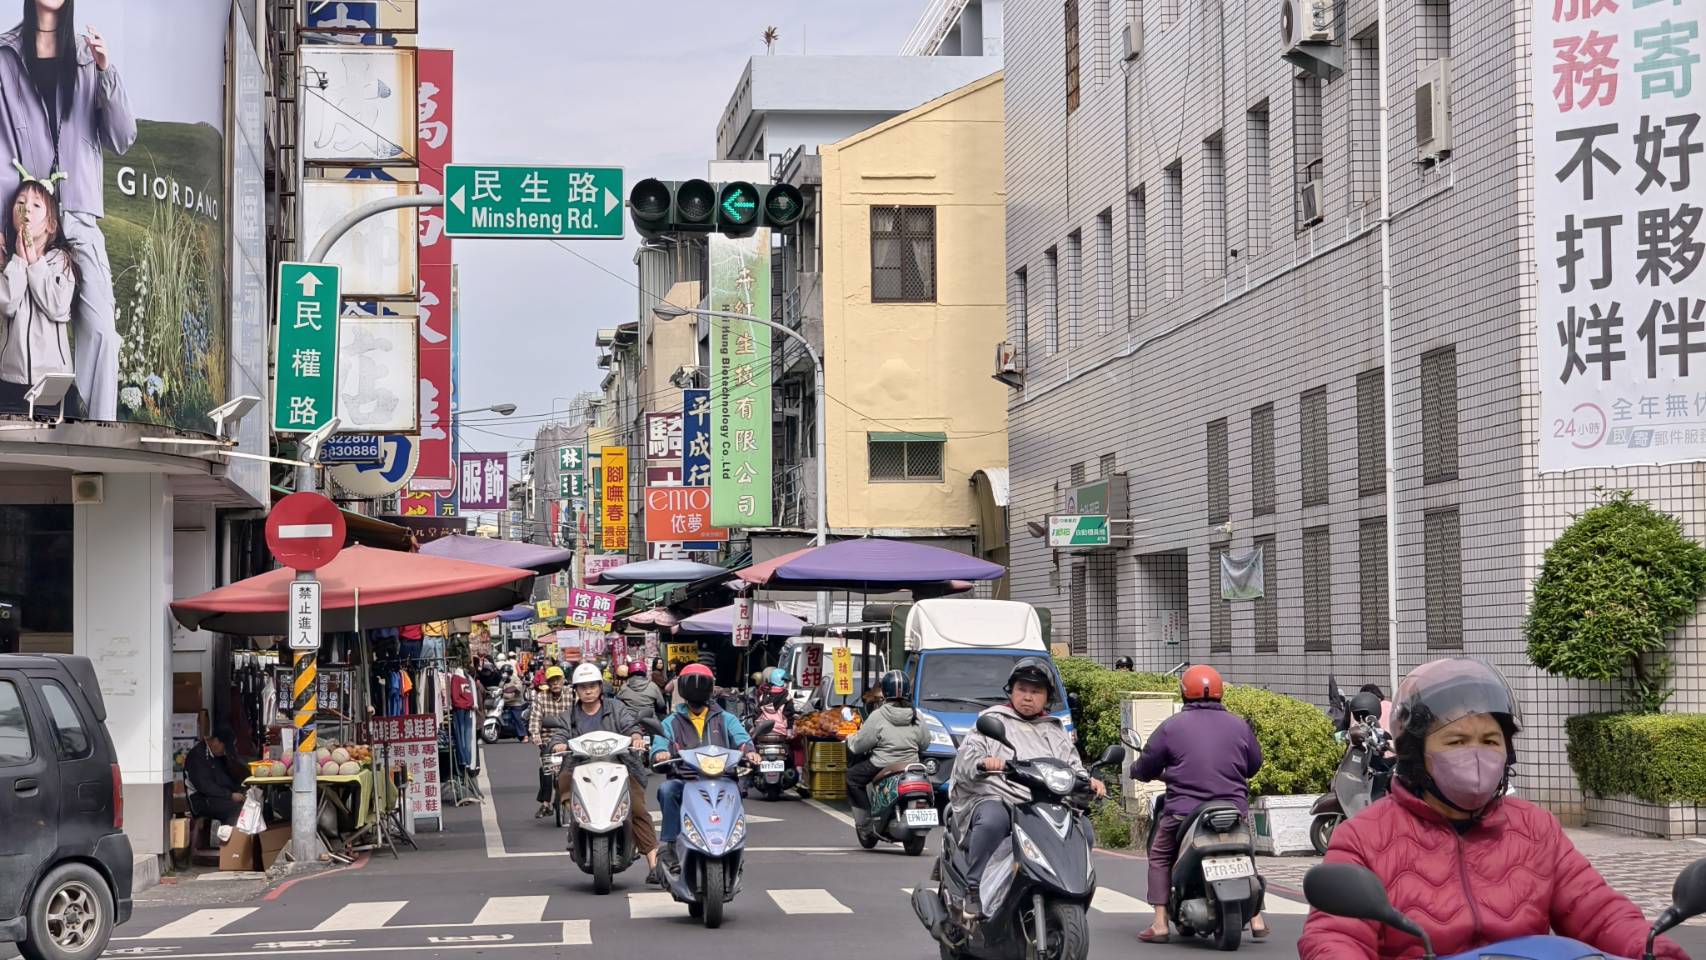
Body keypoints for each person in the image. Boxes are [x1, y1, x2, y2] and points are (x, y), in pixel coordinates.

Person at [1298, 658, 1687, 960]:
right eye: (1455, 741)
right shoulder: (1365, 837)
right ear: (1417, 754)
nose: (1477, 753)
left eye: (1489, 739)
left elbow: (1599, 912)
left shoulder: (1535, 828)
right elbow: (1335, 937)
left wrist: (1653, 949)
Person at [0, 0, 133, 421]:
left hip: (76, 212)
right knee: (23, 320)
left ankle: (99, 426)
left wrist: (106, 70)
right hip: (27, 212)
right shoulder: (6, 54)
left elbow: (122, 137)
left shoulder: (85, 54)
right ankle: (33, 413)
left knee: (101, 332)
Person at [950, 658, 1104, 914]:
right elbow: (967, 758)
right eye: (1022, 689)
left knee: (1083, 831)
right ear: (1011, 691)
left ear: (1047, 697)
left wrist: (1089, 783)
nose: (1028, 697)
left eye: (1036, 692)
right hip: (999, 796)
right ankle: (974, 886)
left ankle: (1070, 890)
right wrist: (983, 763)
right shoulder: (992, 721)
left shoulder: (1055, 731)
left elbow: (1073, 768)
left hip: (1044, 805)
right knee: (992, 820)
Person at [1130, 664, 1268, 942]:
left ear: (1183, 693)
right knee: (1245, 850)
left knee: (1160, 855)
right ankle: (1256, 917)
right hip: (1232, 812)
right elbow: (1254, 765)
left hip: (1184, 813)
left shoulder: (1171, 727)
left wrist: (1137, 772)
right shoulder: (1238, 725)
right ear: (1220, 693)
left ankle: (1159, 923)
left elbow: (1146, 766)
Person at [650, 663, 760, 876]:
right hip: (686, 780)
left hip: (723, 779)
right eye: (692, 683)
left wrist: (750, 751)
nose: (697, 688)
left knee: (737, 792)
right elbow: (660, 743)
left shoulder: (725, 718)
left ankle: (735, 847)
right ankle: (671, 846)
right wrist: (660, 753)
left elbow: (742, 739)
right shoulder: (672, 721)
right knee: (667, 790)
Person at [546, 664, 658, 873]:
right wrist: (558, 744)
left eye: (592, 686)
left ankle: (654, 863)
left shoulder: (616, 708)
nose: (588, 691)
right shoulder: (569, 715)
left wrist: (636, 737)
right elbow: (559, 734)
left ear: (600, 687)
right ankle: (576, 826)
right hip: (581, 767)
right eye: (583, 687)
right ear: (576, 690)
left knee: (637, 808)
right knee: (563, 781)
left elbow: (631, 726)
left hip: (620, 766)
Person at [0, 178, 76, 414]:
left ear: (51, 225)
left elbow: (57, 306)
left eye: (36, 206)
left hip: (52, 384)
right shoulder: (9, 264)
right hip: (10, 380)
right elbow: (7, 304)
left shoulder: (60, 260)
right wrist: (20, 261)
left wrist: (35, 263)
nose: (26, 210)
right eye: (20, 204)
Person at [845, 670, 930, 841]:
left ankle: (865, 824)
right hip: (910, 765)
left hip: (882, 764)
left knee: (852, 778)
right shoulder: (916, 715)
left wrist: (850, 739)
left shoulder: (878, 715)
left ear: (885, 692)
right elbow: (925, 742)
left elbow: (860, 745)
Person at [528, 665, 573, 818]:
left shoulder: (572, 694)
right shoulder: (541, 697)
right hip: (548, 740)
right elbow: (535, 718)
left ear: (563, 680)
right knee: (546, 768)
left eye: (557, 680)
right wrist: (535, 735)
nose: (555, 683)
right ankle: (545, 803)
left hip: (569, 739)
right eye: (552, 680)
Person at [183, 728, 246, 826]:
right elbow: (205, 786)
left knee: (246, 806)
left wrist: (239, 789)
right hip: (201, 800)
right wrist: (230, 795)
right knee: (236, 809)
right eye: (224, 748)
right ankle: (231, 839)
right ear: (216, 741)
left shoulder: (218, 755)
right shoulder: (197, 756)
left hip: (217, 796)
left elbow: (226, 778)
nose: (224, 751)